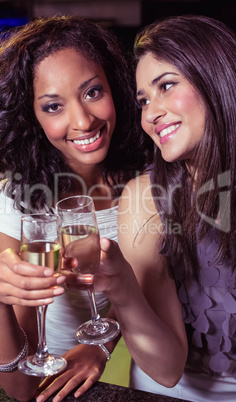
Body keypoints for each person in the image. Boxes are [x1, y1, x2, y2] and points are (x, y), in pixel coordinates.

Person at [0, 15, 151, 402]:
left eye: (92, 92)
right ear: (30, 116)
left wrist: (100, 345)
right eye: (53, 106)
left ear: (114, 88)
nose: (83, 121)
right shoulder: (15, 203)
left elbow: (149, 288)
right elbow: (21, 388)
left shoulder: (146, 183)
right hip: (56, 386)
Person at [97, 14, 236, 402]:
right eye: (144, 100)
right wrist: (122, 288)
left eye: (167, 86)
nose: (151, 113)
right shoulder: (145, 199)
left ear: (216, 79)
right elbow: (166, 368)